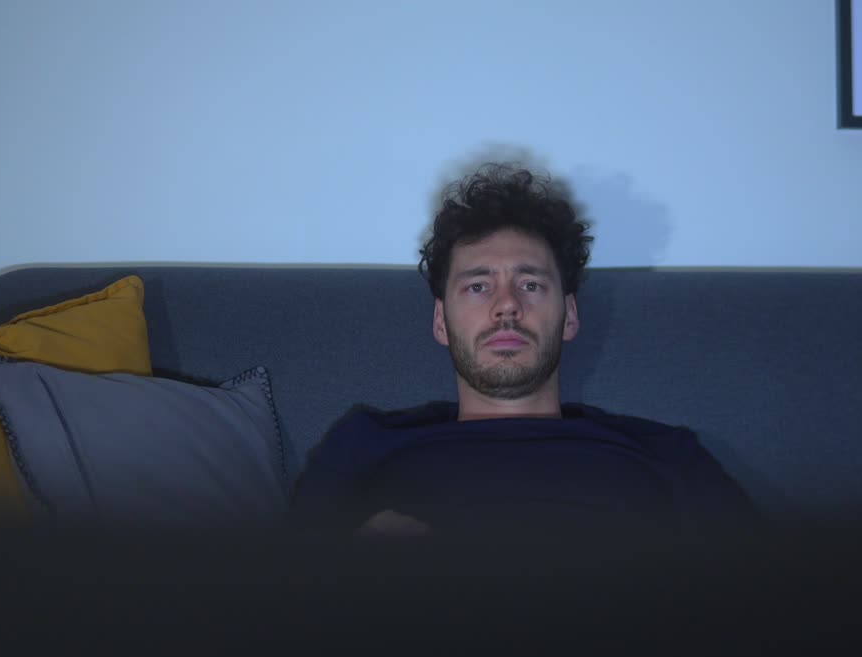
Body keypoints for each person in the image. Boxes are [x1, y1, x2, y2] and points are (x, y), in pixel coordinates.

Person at [290, 164, 760, 539]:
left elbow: (775, 600)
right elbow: (274, 601)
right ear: (440, 321)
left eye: (530, 283)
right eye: (478, 286)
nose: (507, 305)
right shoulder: (366, 444)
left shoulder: (665, 453)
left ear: (570, 316)